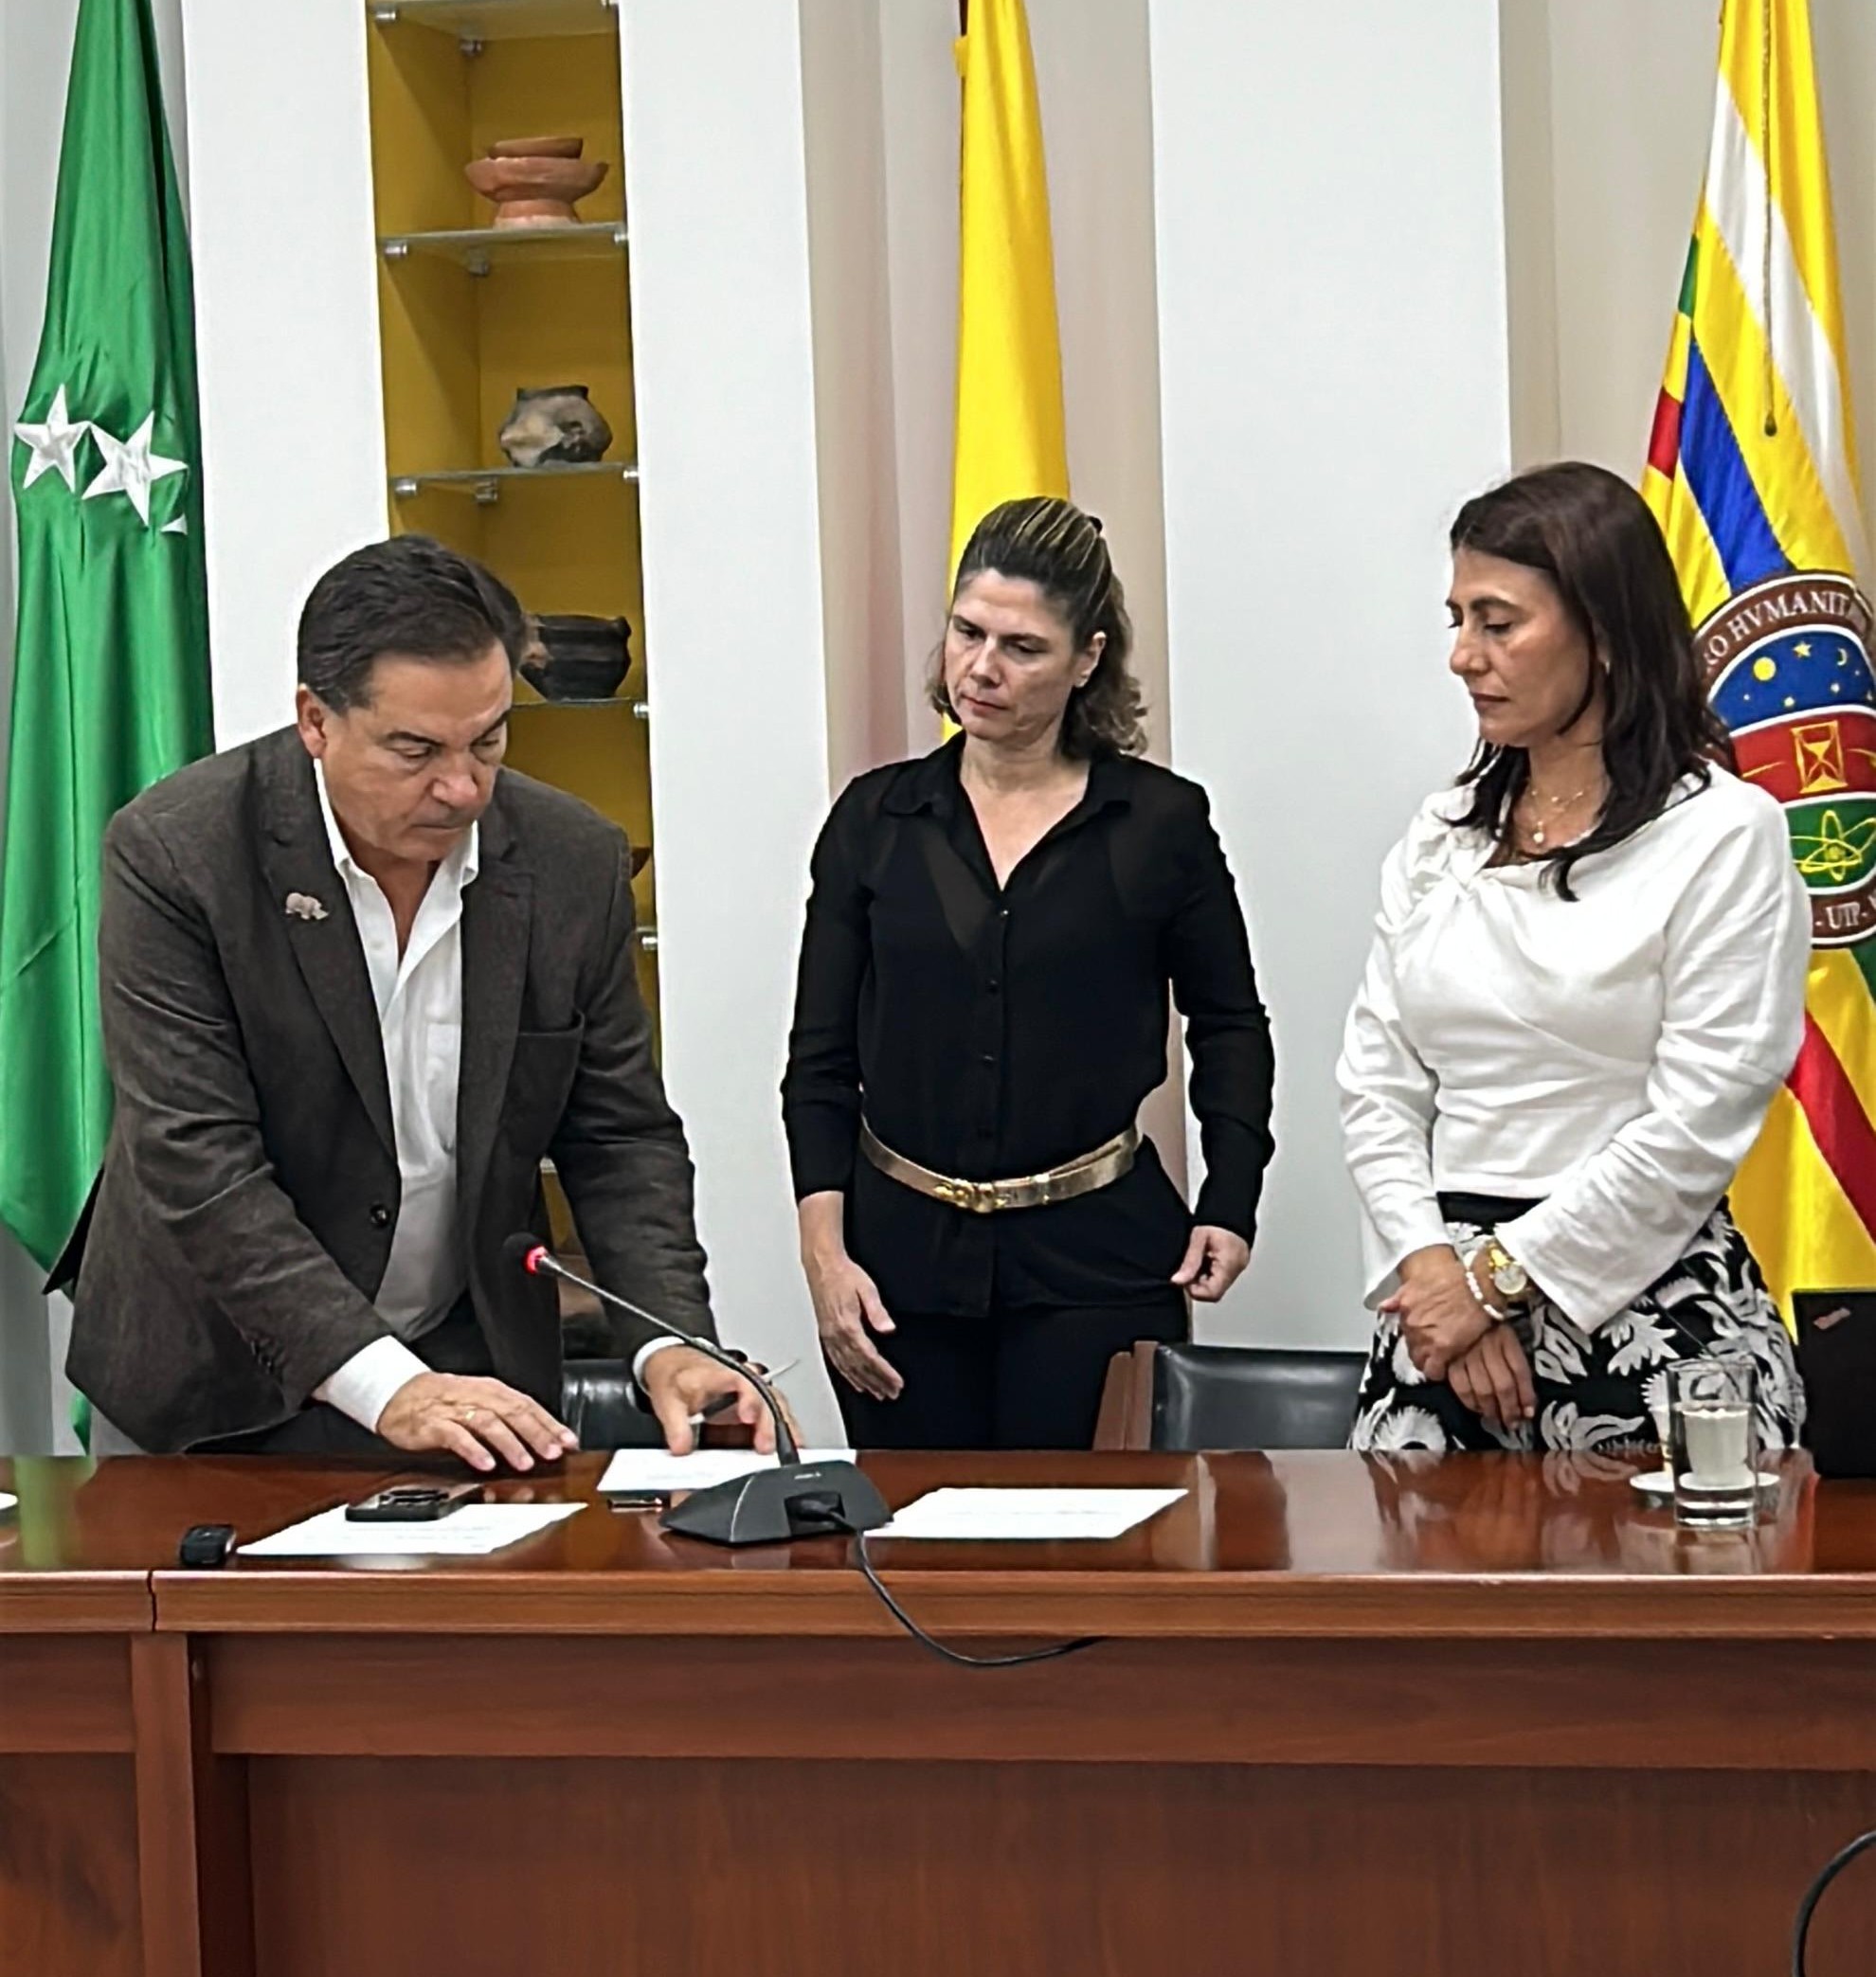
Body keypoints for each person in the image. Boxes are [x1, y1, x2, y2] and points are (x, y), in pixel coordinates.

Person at [60, 535, 769, 1465]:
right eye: (416, 749)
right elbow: (198, 1160)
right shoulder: (180, 854)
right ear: (315, 719)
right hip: (210, 1378)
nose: (463, 786)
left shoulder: (569, 860)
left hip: (464, 1364)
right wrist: (380, 1379)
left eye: (489, 738)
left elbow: (617, 1132)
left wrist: (668, 1336)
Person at [783, 495, 1275, 1449]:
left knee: (1079, 1575)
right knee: (914, 1567)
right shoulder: (875, 822)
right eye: (968, 631)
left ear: (1088, 658)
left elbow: (1229, 1023)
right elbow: (819, 1060)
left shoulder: (1160, 824)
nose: (982, 667)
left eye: (1023, 646)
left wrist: (1233, 1195)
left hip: (1097, 1259)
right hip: (897, 1265)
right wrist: (823, 1253)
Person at [1338, 462, 1809, 1454]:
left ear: (1602, 633)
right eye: (1457, 618)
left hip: (1651, 1316)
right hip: (1437, 1321)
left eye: (1499, 622)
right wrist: (1436, 1273)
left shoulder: (1724, 832)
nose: (1464, 655)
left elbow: (1700, 1115)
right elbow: (1377, 1082)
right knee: (1411, 1600)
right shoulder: (1442, 835)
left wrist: (1499, 1280)